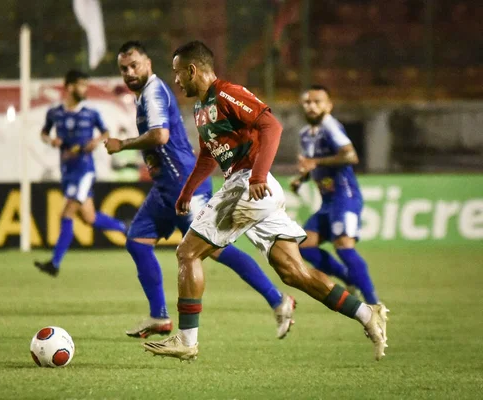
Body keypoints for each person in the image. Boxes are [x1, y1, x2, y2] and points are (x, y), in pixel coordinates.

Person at [142, 41, 389, 361]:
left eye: (178, 73)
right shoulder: (201, 108)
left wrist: (257, 176)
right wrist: (187, 191)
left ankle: (187, 341)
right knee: (294, 272)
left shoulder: (227, 92)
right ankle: (368, 315)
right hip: (252, 187)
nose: (176, 80)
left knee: (188, 253)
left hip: (249, 185)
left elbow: (271, 125)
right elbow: (208, 153)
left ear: (193, 70)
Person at [105, 41, 293, 339]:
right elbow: (204, 150)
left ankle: (278, 299)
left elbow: (160, 135)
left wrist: (123, 144)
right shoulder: (149, 97)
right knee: (138, 242)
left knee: (213, 250)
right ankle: (160, 317)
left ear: (149, 64)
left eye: (134, 66)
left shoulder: (154, 92)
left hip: (179, 179)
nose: (129, 73)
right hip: (167, 187)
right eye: (123, 69)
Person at [291, 85, 379, 305]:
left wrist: (316, 162)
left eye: (317, 102)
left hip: (345, 197)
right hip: (328, 202)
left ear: (328, 106)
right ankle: (350, 279)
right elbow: (312, 165)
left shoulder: (330, 126)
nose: (312, 106)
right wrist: (301, 179)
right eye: (307, 102)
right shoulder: (305, 134)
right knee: (302, 245)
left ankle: (373, 303)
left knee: (344, 247)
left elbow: (350, 156)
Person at [34, 70, 127, 276]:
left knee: (66, 213)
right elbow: (43, 133)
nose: (85, 89)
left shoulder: (90, 113)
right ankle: (126, 228)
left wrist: (95, 142)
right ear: (69, 87)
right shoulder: (55, 112)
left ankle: (55, 264)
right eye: (81, 85)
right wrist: (52, 141)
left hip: (84, 171)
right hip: (67, 171)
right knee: (89, 218)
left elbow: (105, 132)